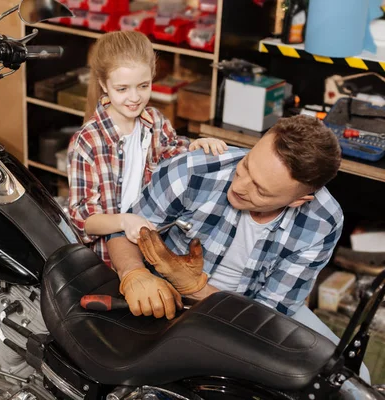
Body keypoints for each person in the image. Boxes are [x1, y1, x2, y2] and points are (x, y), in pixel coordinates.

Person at [107, 114, 372, 382]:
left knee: (354, 377)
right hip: (169, 295)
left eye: (261, 190)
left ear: (298, 201)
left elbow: (268, 313)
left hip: (253, 312)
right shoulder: (193, 170)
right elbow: (121, 231)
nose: (240, 185)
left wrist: (198, 288)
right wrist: (134, 274)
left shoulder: (322, 221)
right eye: (246, 165)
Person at [67, 31, 227, 267]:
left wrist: (197, 145)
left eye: (143, 85)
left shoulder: (155, 122)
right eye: (122, 89)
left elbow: (173, 152)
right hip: (107, 262)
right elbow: (83, 219)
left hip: (154, 249)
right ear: (103, 84)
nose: (134, 98)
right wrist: (124, 221)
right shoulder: (87, 141)